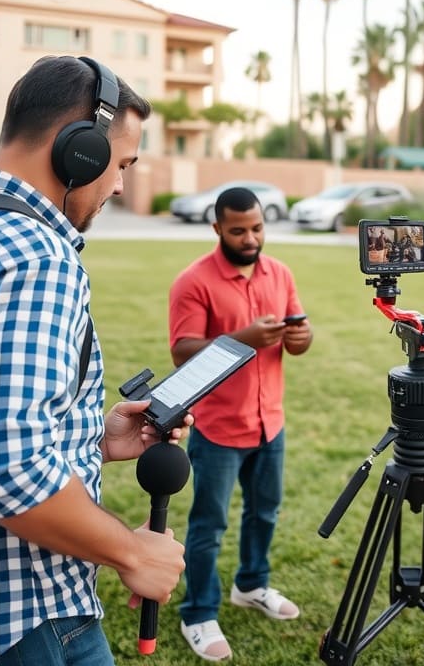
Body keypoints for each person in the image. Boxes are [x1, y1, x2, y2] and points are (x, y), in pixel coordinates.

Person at [0, 55, 189, 666]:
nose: (121, 185)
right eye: (121, 163)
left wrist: (90, 436)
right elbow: (2, 465)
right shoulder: (32, 257)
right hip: (9, 623)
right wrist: (132, 550)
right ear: (80, 150)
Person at [169, 186, 313, 661]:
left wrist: (301, 338)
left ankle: (251, 585)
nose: (250, 238)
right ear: (217, 229)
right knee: (209, 524)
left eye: (256, 228)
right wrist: (243, 339)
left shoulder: (281, 273)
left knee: (264, 512)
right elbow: (182, 351)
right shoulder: (194, 281)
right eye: (238, 230)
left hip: (270, 421)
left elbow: (295, 345)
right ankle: (198, 611)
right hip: (218, 428)